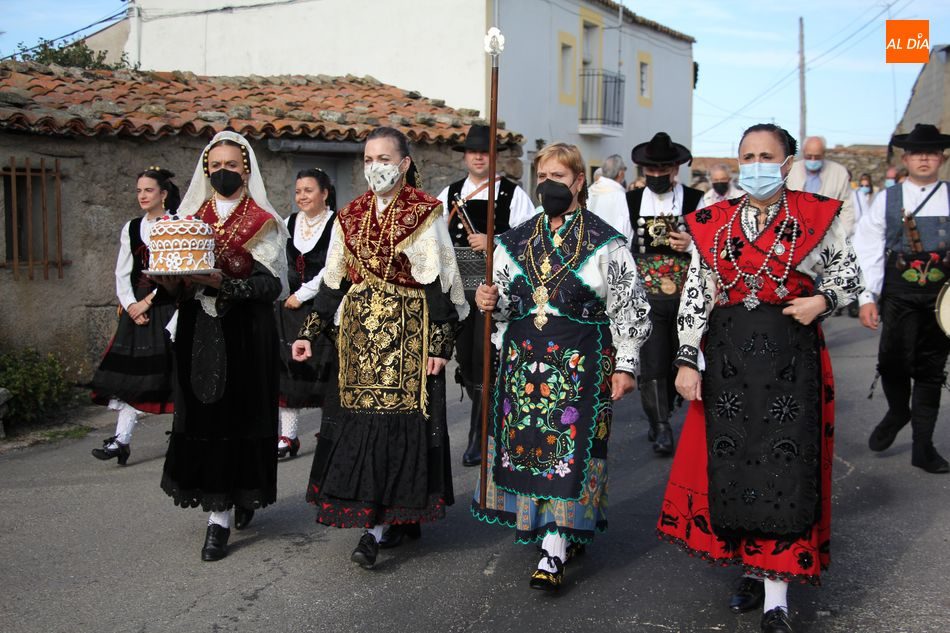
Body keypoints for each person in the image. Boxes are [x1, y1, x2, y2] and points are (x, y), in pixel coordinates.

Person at [657, 123, 862, 633]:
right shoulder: (713, 220)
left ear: (787, 163)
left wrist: (823, 300)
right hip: (728, 362)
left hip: (791, 362)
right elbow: (697, 292)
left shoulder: (817, 214)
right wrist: (686, 358)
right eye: (747, 156)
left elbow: (849, 274)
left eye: (766, 156)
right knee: (736, 468)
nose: (756, 165)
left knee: (784, 473)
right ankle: (751, 567)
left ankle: (777, 598)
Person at [472, 142, 651, 591]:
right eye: (542, 176)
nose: (548, 184)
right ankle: (550, 532)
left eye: (559, 176)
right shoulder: (515, 239)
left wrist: (626, 364)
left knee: (571, 455)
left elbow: (629, 307)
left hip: (582, 364)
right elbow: (508, 303)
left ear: (578, 182)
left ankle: (555, 547)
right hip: (524, 363)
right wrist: (489, 300)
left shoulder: (606, 241)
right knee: (532, 450)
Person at [293, 126, 468, 569]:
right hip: (359, 337)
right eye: (369, 159)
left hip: (409, 335)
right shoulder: (350, 215)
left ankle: (381, 525)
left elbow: (438, 282)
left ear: (404, 163)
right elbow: (334, 280)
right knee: (363, 424)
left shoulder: (424, 212)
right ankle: (382, 518)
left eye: (384, 159)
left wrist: (440, 344)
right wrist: (308, 332)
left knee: (400, 426)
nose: (375, 167)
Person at [156, 131, 288, 562]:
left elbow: (270, 285)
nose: (223, 172)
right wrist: (168, 283)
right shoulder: (189, 219)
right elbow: (176, 280)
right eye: (215, 166)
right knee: (204, 415)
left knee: (241, 415)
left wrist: (224, 282)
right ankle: (219, 509)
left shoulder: (263, 221)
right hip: (199, 330)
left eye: (231, 165)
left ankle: (233, 504)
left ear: (246, 170)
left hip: (246, 333)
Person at [436, 123, 536, 467]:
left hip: (494, 290)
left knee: (484, 359)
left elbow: (529, 242)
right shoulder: (449, 194)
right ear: (465, 156)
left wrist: (495, 242)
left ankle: (479, 437)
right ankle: (486, 423)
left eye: (485, 152)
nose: (479, 157)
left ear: (494, 156)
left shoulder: (512, 195)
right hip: (458, 290)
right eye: (473, 152)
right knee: (466, 360)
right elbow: (435, 240)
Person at [854, 123, 950, 475]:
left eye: (931, 152)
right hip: (899, 295)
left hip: (942, 300)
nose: (924, 158)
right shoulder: (887, 199)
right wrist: (867, 297)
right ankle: (898, 411)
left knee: (930, 370)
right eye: (917, 152)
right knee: (892, 362)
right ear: (906, 158)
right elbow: (866, 248)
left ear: (941, 158)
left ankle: (923, 447)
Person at [90, 167, 181, 465]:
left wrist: (148, 303)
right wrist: (131, 305)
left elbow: (179, 272)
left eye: (148, 190)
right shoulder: (131, 228)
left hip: (168, 306)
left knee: (174, 375)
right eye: (139, 190)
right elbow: (122, 272)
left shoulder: (177, 224)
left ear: (163, 194)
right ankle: (121, 440)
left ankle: (183, 434)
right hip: (136, 310)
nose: (142, 195)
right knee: (131, 376)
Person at [625, 132, 704, 456]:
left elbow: (712, 246)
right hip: (647, 296)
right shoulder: (630, 201)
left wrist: (691, 243)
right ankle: (660, 426)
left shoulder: (696, 200)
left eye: (662, 170)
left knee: (677, 359)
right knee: (653, 361)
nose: (656, 175)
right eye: (651, 170)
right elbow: (619, 245)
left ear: (674, 169)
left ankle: (666, 409)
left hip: (686, 297)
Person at [274, 168, 336, 459]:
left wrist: (303, 294)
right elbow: (278, 261)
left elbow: (333, 268)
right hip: (289, 309)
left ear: (324, 193)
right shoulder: (288, 222)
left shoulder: (337, 224)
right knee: (289, 372)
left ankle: (328, 430)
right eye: (298, 191)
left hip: (323, 307)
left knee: (324, 371)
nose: (302, 196)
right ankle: (288, 436)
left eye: (308, 190)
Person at [786, 136, 856, 234]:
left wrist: (844, 233)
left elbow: (847, 206)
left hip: (829, 232)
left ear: (824, 154)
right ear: (803, 152)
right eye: (809, 156)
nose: (813, 160)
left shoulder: (839, 173)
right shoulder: (790, 171)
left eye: (817, 157)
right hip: (795, 230)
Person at [587, 153, 634, 241]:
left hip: (588, 243)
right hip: (612, 245)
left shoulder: (589, 191)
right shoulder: (621, 197)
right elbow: (626, 229)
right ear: (620, 173)